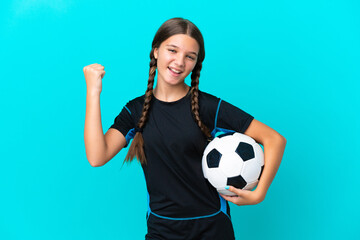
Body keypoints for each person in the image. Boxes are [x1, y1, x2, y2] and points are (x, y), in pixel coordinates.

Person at [84, 17, 286, 240]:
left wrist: (259, 194)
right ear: (156, 52)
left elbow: (274, 139)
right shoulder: (135, 110)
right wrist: (93, 92)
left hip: (212, 227)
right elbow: (97, 156)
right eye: (172, 50)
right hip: (162, 230)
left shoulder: (208, 107)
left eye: (190, 57)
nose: (180, 62)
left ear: (196, 63)